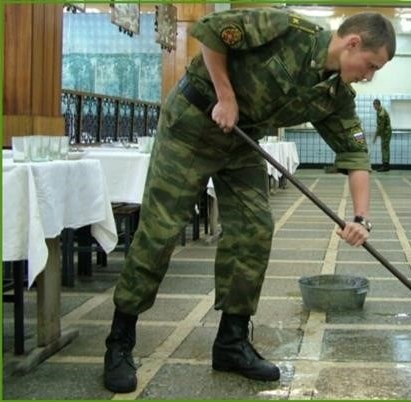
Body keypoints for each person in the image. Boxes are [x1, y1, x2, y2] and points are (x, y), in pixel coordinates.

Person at [103, 7, 395, 393]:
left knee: (254, 230)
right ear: (353, 43)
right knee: (161, 230)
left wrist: (361, 217)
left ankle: (231, 343)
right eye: (370, 65)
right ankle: (120, 341)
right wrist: (226, 94)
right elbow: (210, 32)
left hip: (241, 142)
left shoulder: (334, 94)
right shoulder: (287, 30)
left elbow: (356, 155)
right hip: (192, 125)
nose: (369, 76)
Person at [371, 99, 392, 171]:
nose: (374, 107)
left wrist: (375, 136)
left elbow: (381, 127)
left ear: (377, 105)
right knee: (384, 148)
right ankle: (385, 165)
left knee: (385, 148)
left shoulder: (381, 113)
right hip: (384, 132)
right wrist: (377, 135)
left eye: (374, 106)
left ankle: (385, 166)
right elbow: (379, 126)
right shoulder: (379, 111)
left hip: (386, 132)